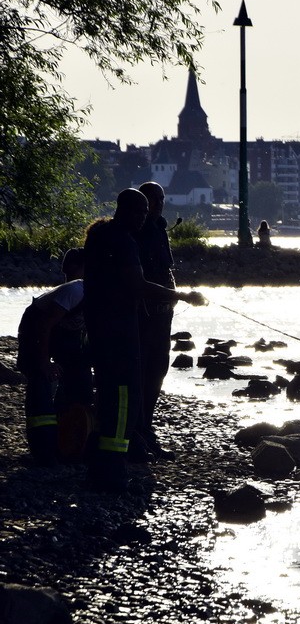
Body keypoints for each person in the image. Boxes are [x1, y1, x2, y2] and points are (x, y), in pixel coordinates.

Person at [83, 188, 206, 493]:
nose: (144, 216)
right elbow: (137, 284)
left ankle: (113, 456)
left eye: (147, 210)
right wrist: (182, 296)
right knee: (124, 395)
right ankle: (114, 465)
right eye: (140, 210)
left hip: (103, 325)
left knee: (114, 391)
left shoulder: (100, 235)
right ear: (123, 209)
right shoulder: (124, 240)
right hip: (122, 326)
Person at [15, 248, 92, 465]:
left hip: (63, 336)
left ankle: (71, 443)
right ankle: (43, 451)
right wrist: (44, 362)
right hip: (35, 330)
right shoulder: (76, 290)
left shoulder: (96, 292)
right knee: (40, 384)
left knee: (79, 385)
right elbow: (43, 326)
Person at [134, 181, 177, 460]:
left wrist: (174, 295)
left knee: (159, 369)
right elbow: (139, 281)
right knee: (144, 371)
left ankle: (145, 428)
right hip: (144, 315)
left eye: (161, 199)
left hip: (164, 314)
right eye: (153, 199)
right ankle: (139, 432)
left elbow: (166, 268)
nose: (159, 204)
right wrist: (181, 296)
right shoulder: (134, 233)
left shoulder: (160, 228)